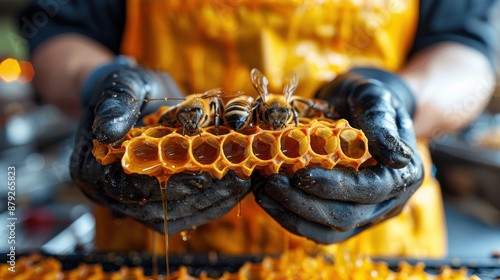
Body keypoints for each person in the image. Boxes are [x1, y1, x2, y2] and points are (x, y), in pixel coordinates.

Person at [20, 0, 497, 257]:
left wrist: (402, 99)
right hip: (153, 242)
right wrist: (99, 82)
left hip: (375, 252)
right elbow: (60, 32)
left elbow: (468, 52)